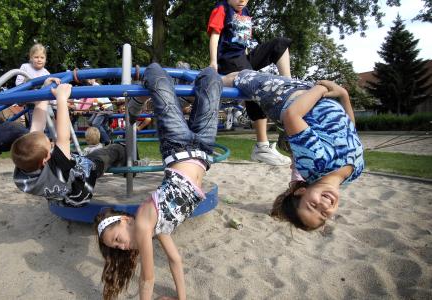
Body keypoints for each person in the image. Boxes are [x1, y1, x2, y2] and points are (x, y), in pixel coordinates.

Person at [95, 63, 222, 300]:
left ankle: (137, 101)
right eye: (116, 248)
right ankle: (195, 83)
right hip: (203, 151)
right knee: (212, 79)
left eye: (116, 240)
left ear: (124, 220)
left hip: (177, 146)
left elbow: (148, 277)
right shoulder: (157, 227)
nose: (121, 247)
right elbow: (175, 259)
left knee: (157, 78)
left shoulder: (144, 223)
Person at [223, 70, 364, 231]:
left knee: (238, 77)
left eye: (312, 206)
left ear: (301, 191)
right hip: (308, 92)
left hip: (283, 96)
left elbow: (292, 116)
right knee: (238, 74)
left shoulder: (315, 164)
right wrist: (344, 95)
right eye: (324, 214)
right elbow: (350, 130)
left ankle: (192, 96)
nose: (323, 206)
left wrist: (321, 88)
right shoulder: (354, 173)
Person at [10, 80, 127, 207]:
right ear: (46, 159)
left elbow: (37, 125)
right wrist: (61, 98)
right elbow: (63, 138)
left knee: (77, 157)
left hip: (63, 192)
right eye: (49, 144)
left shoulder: (25, 170)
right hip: (83, 182)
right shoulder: (58, 166)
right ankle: (125, 156)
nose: (51, 142)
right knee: (113, 150)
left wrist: (44, 91)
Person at [208, 0, 292, 166]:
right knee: (254, 84)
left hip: (242, 58)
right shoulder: (222, 8)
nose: (242, 0)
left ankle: (288, 90)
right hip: (227, 60)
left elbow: (243, 42)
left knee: (279, 43)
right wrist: (213, 63)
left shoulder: (245, 12)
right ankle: (262, 147)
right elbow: (215, 35)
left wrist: (249, 63)